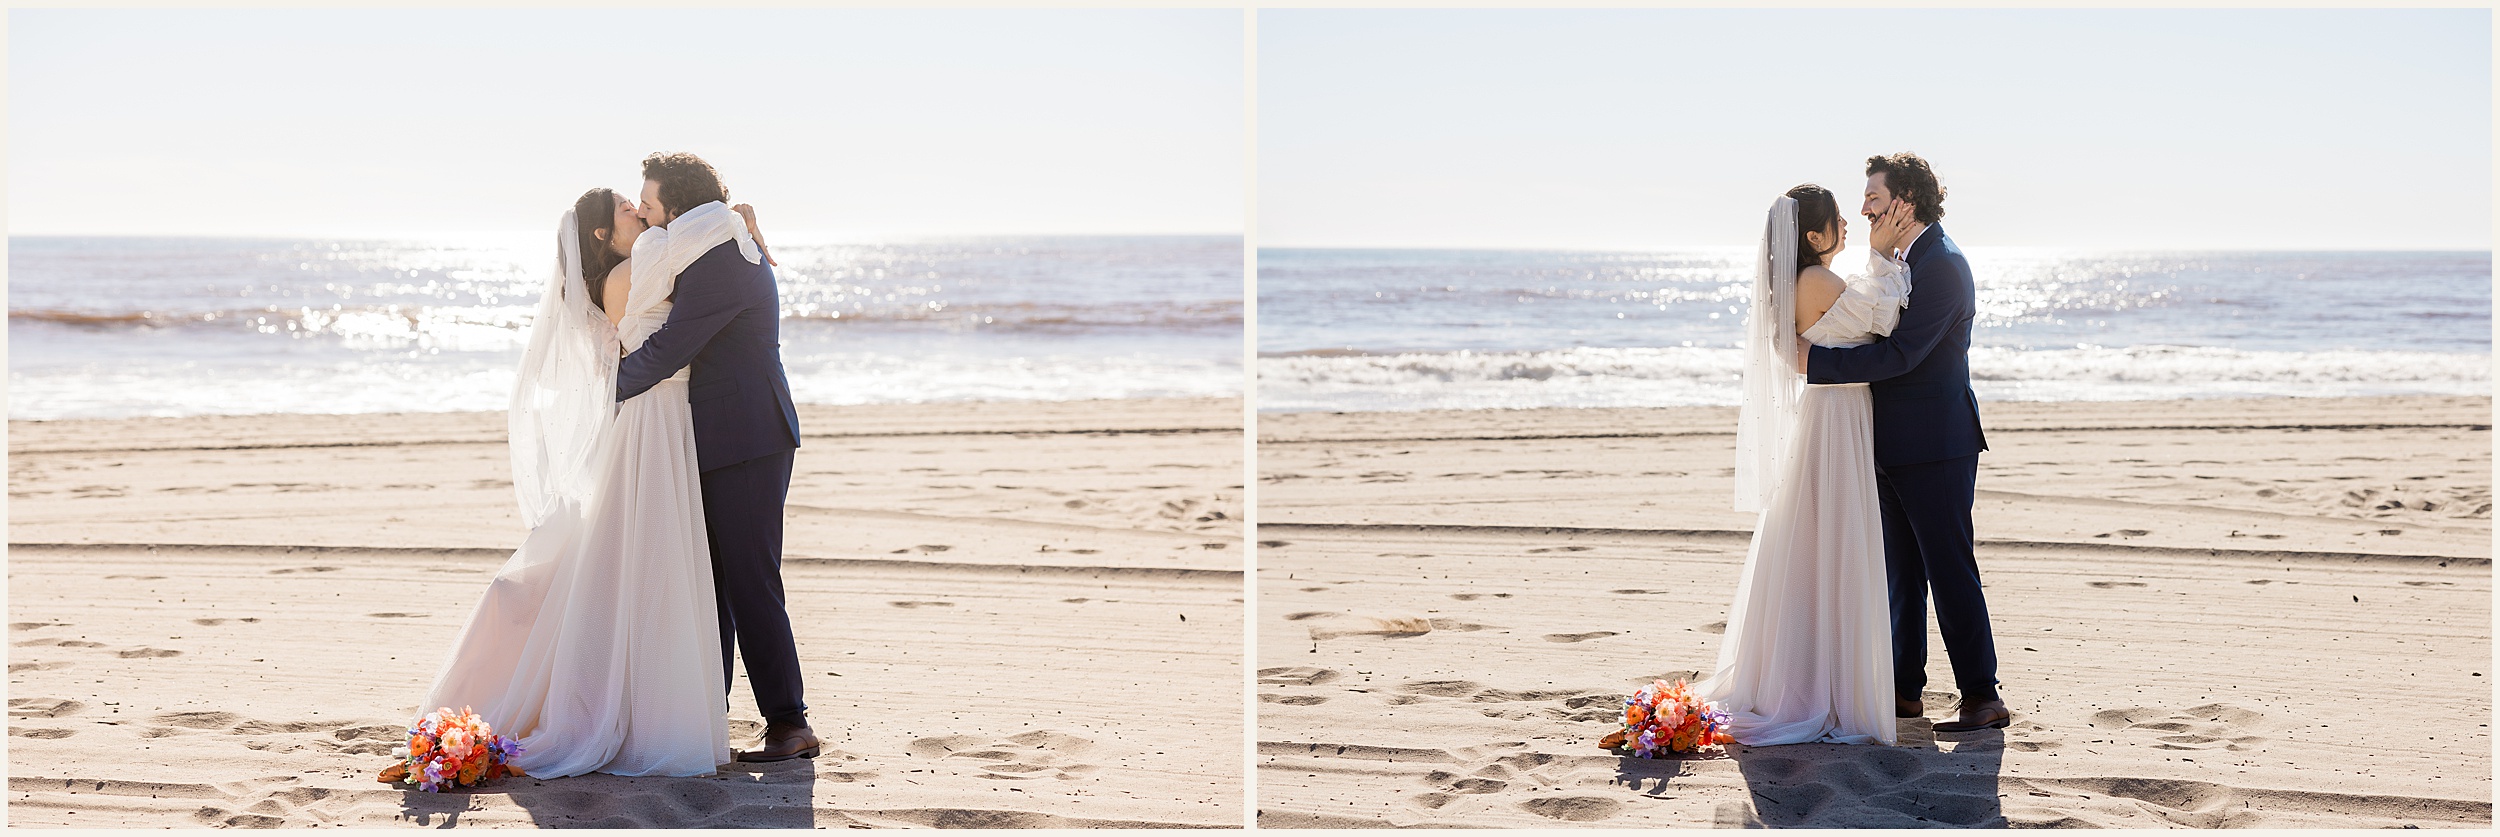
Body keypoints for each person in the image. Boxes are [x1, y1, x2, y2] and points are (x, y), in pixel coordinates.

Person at [1691, 182, 1920, 745]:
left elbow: (1832, 334)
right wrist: (1885, 255)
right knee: (1837, 543)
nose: (1849, 224)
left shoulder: (1797, 283)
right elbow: (1884, 318)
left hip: (1828, 411)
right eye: (1839, 220)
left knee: (1817, 542)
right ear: (1814, 236)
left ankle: (1815, 673)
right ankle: (1830, 686)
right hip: (1837, 417)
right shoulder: (1815, 279)